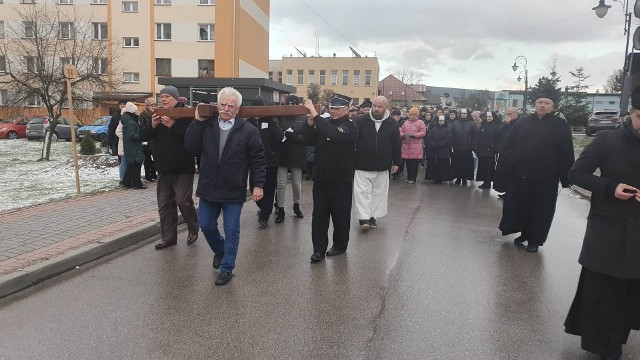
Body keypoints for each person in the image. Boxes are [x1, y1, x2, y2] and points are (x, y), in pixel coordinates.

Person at [563, 90, 640, 360]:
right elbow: (577, 174)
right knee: (603, 289)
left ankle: (617, 336)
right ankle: (602, 344)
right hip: (608, 227)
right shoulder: (607, 140)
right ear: (630, 114)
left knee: (630, 289)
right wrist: (610, 187)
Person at [185, 87, 266, 285]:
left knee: (231, 230)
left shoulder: (248, 130)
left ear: (238, 108)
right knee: (206, 225)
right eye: (223, 104)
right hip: (208, 188)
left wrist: (258, 185)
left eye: (231, 105)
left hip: (233, 189)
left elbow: (258, 160)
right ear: (217, 105)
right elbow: (190, 147)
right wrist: (196, 122)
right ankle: (220, 251)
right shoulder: (206, 125)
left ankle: (227, 268)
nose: (226, 108)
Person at [498, 92, 574, 253]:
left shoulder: (560, 125)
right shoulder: (523, 124)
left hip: (546, 177)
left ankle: (535, 239)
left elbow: (566, 151)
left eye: (547, 102)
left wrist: (566, 177)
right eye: (540, 102)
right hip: (521, 175)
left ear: (552, 107)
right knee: (520, 206)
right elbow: (509, 147)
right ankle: (523, 233)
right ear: (535, 105)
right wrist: (510, 166)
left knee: (540, 210)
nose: (542, 105)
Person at [140, 85, 199, 250]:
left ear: (176, 98)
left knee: (182, 201)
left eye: (167, 96)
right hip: (163, 167)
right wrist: (152, 125)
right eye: (161, 96)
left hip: (183, 166)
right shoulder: (157, 114)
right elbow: (142, 135)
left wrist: (174, 126)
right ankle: (168, 237)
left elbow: (192, 138)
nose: (163, 99)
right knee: (165, 204)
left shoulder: (187, 114)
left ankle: (193, 228)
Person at [303, 94, 358, 263]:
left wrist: (314, 113)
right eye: (332, 108)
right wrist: (310, 124)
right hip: (321, 178)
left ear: (347, 110)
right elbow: (308, 139)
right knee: (319, 216)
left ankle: (340, 245)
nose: (333, 111)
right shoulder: (324, 123)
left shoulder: (350, 126)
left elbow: (334, 134)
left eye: (337, 108)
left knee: (340, 215)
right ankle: (318, 249)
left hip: (341, 179)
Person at [352, 96, 401, 230]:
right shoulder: (360, 121)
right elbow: (353, 141)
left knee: (378, 193)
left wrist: (396, 162)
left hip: (383, 164)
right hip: (362, 162)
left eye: (379, 107)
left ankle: (373, 216)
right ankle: (363, 218)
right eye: (374, 106)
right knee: (362, 192)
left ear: (386, 108)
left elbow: (396, 144)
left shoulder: (392, 123)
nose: (376, 109)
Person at [247, 95, 283, 229]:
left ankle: (264, 216)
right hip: (255, 163)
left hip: (271, 162)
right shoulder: (249, 122)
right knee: (254, 188)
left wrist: (272, 120)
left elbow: (279, 136)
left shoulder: (271, 120)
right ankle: (262, 208)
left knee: (268, 190)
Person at [276, 95, 307, 223]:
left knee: (296, 183)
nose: (290, 106)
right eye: (287, 104)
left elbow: (307, 138)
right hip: (282, 154)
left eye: (292, 104)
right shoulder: (280, 116)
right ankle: (281, 209)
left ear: (297, 104)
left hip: (297, 154)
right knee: (281, 183)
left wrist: (294, 136)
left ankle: (296, 206)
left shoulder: (303, 118)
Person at [493, 107, 520, 195]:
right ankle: (505, 190)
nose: (508, 116)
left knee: (510, 173)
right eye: (507, 114)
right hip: (503, 151)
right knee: (502, 173)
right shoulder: (505, 124)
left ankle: (511, 192)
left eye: (510, 114)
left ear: (516, 114)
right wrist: (505, 124)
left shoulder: (520, 123)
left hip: (513, 152)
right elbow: (497, 133)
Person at [120, 102, 146, 189]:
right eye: (136, 111)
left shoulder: (128, 120)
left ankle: (126, 182)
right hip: (133, 146)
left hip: (129, 146)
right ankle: (137, 183)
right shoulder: (131, 122)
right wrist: (141, 136)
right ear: (132, 112)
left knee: (131, 165)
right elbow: (131, 135)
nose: (138, 113)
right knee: (136, 165)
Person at [399, 107, 427, 184]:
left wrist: (415, 135)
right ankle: (408, 177)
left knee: (414, 164)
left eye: (414, 115)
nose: (412, 116)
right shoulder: (405, 123)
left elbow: (423, 132)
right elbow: (400, 131)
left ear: (417, 115)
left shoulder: (420, 122)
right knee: (407, 163)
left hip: (416, 147)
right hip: (406, 146)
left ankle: (413, 178)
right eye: (411, 115)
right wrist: (404, 135)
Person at [450, 107, 477, 185]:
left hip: (467, 147)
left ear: (467, 114)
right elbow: (451, 134)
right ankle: (458, 178)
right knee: (457, 164)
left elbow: (475, 135)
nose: (463, 115)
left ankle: (464, 178)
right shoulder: (455, 123)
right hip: (457, 147)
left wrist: (473, 145)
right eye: (462, 113)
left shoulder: (472, 123)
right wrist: (452, 144)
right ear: (460, 114)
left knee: (466, 164)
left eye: (465, 113)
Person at [475, 111, 500, 189]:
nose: (488, 118)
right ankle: (484, 182)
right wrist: (477, 147)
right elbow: (479, 137)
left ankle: (488, 182)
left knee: (489, 167)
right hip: (482, 149)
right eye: (487, 116)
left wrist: (495, 148)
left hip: (491, 150)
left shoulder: (496, 126)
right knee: (483, 167)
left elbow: (498, 139)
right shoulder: (483, 125)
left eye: (490, 116)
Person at [425, 115, 452, 184]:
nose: (441, 122)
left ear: (444, 121)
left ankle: (441, 178)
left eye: (442, 121)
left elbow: (448, 139)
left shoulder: (448, 129)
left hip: (443, 150)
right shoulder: (434, 129)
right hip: (434, 150)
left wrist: (439, 144)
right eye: (440, 121)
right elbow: (429, 137)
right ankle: (434, 177)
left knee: (442, 165)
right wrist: (433, 144)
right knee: (433, 164)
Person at [107, 99, 127, 185]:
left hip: (129, 142)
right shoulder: (115, 116)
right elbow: (111, 130)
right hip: (118, 141)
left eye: (124, 104)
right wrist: (110, 143)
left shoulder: (130, 115)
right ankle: (122, 179)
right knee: (122, 160)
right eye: (121, 104)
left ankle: (128, 178)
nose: (122, 106)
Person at [138, 98, 157, 182]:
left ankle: (154, 174)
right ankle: (148, 176)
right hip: (147, 140)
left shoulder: (157, 113)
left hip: (155, 140)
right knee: (147, 159)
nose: (153, 107)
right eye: (151, 105)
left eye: (154, 105)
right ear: (147, 106)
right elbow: (142, 127)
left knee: (155, 158)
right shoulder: (143, 115)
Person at [390, 108, 405, 180]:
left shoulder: (402, 122)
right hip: (391, 142)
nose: (395, 117)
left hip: (399, 142)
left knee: (398, 157)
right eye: (393, 116)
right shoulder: (389, 122)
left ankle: (397, 172)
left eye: (396, 116)